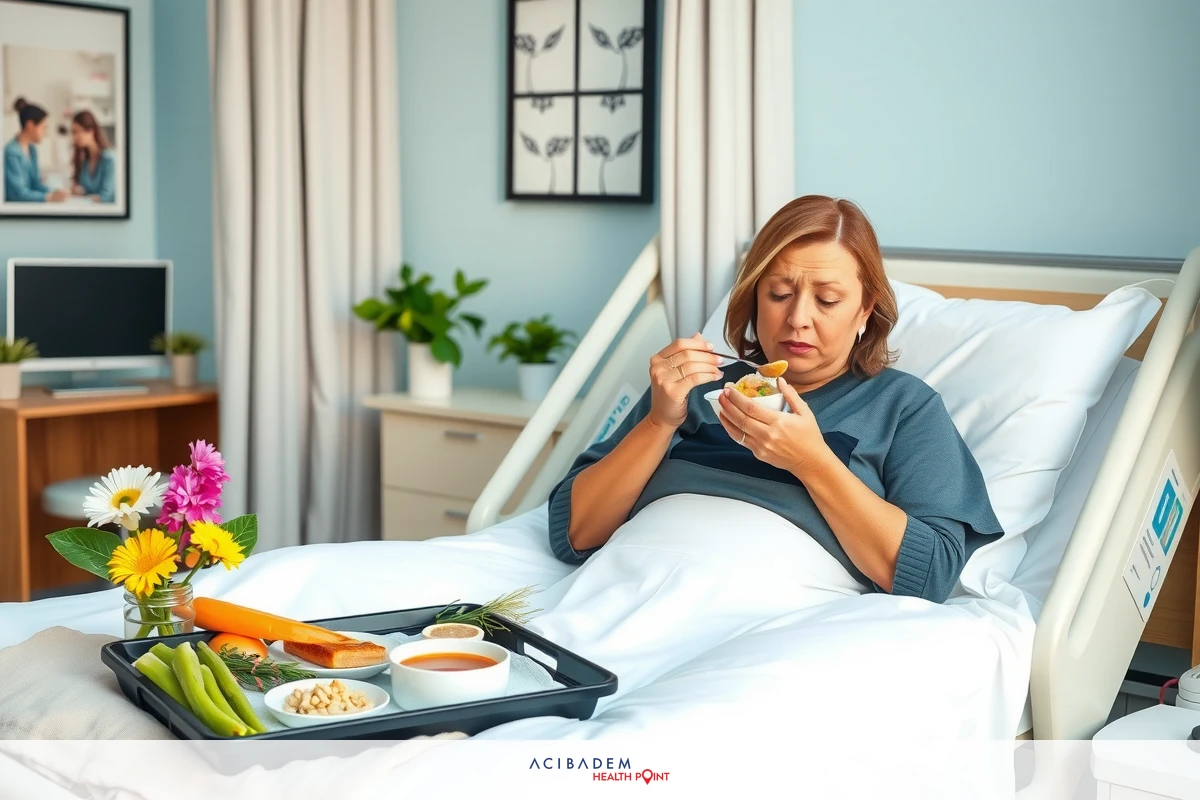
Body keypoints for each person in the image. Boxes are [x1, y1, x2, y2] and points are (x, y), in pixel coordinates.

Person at [546, 195, 1004, 604]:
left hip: (757, 617)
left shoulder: (903, 406)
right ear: (754, 300)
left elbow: (930, 576)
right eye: (780, 294)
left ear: (864, 310)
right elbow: (575, 534)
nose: (798, 318)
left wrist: (812, 463)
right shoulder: (698, 383)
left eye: (826, 300)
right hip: (621, 590)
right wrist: (659, 422)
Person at [3, 98, 67, 203]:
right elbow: (17, 193)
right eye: (43, 128)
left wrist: (55, 192)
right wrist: (48, 198)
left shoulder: (32, 150)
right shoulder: (11, 152)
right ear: (30, 126)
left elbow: (35, 184)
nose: (45, 132)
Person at [70, 110, 115, 203]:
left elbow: (106, 196)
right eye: (73, 133)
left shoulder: (109, 159)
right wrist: (79, 191)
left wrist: (85, 199)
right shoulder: (86, 161)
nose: (74, 137)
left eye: (77, 132)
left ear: (91, 131)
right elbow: (87, 190)